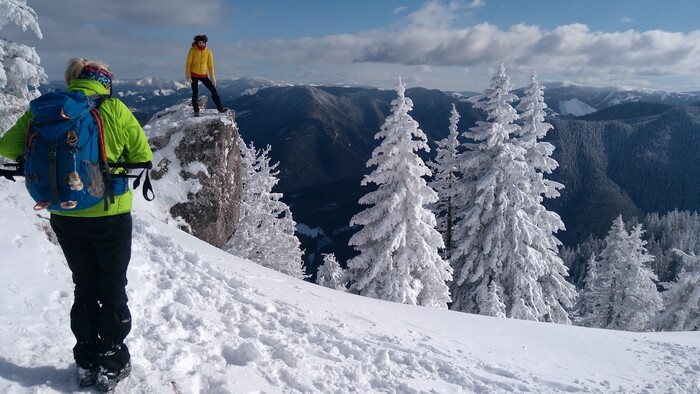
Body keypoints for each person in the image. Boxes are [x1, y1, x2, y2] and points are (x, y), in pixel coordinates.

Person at [0, 58, 153, 391]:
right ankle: (111, 364)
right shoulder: (113, 107)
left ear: (73, 81)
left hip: (64, 214)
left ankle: (85, 361)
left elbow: (6, 147)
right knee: (112, 287)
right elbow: (142, 157)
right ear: (104, 82)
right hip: (109, 213)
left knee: (84, 285)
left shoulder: (43, 111)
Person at [186, 34, 228, 117]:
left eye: (202, 42)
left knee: (214, 91)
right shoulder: (192, 50)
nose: (201, 44)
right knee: (195, 93)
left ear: (205, 43)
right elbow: (188, 63)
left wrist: (212, 77)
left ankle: (220, 108)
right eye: (199, 42)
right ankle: (196, 111)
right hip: (194, 74)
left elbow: (210, 65)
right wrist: (188, 75)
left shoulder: (208, 52)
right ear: (197, 42)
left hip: (203, 75)